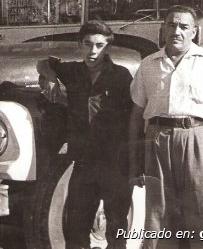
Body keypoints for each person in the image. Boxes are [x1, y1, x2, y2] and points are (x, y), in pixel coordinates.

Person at [129, 5, 203, 249]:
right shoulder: (148, 64)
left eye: (183, 27)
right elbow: (136, 115)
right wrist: (135, 160)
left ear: (194, 32)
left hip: (198, 139)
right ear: (163, 29)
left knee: (200, 213)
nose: (176, 31)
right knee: (157, 215)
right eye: (171, 25)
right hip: (156, 139)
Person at [37, 21, 133, 249]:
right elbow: (43, 63)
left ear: (108, 47)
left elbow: (132, 118)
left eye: (100, 45)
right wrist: (50, 77)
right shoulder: (72, 71)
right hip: (83, 163)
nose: (93, 51)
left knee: (117, 228)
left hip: (114, 164)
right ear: (79, 45)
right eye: (88, 44)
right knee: (76, 229)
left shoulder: (121, 76)